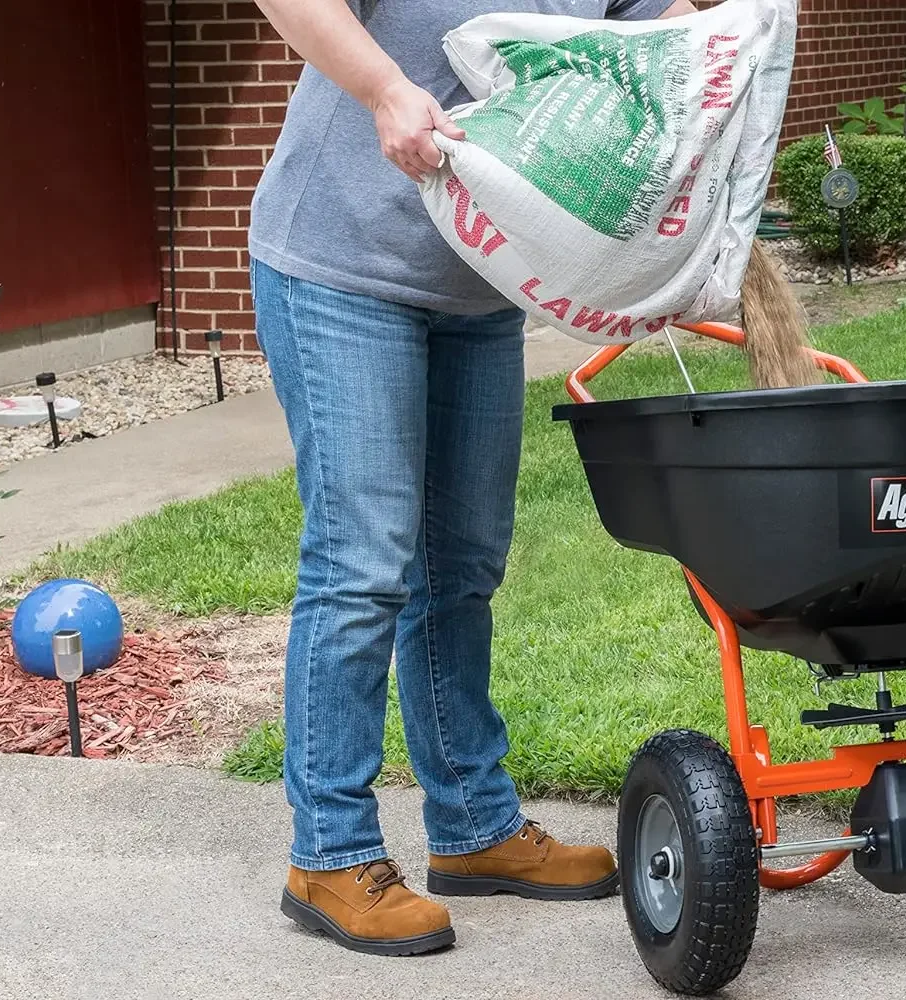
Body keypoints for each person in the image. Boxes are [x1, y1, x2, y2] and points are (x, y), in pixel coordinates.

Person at [248, 0, 694, 956]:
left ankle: (475, 829)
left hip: (479, 278)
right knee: (362, 564)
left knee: (463, 565)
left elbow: (667, 27)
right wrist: (383, 88)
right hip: (341, 264)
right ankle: (328, 854)